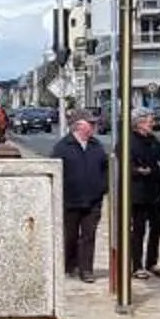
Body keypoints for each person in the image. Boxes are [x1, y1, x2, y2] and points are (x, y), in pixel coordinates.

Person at [50, 115, 111, 284]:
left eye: (94, 123)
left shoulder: (96, 145)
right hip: (71, 200)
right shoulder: (63, 147)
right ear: (78, 126)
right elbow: (55, 170)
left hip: (93, 200)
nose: (94, 126)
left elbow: (105, 168)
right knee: (70, 236)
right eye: (90, 124)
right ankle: (70, 265)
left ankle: (86, 270)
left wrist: (103, 187)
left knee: (88, 236)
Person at [127, 111, 160, 279]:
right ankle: (137, 266)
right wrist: (137, 170)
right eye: (149, 122)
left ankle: (152, 262)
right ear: (139, 123)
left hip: (153, 190)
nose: (152, 124)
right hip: (137, 192)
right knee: (138, 230)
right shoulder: (128, 141)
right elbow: (123, 165)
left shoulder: (151, 139)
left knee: (157, 227)